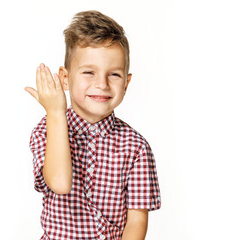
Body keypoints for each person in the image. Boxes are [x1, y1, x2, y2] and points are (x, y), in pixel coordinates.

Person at [25, 10, 161, 240]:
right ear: (65, 78)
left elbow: (137, 222)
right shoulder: (46, 129)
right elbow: (59, 183)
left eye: (114, 75)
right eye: (89, 72)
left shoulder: (136, 147)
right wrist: (56, 112)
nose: (102, 84)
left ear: (126, 83)